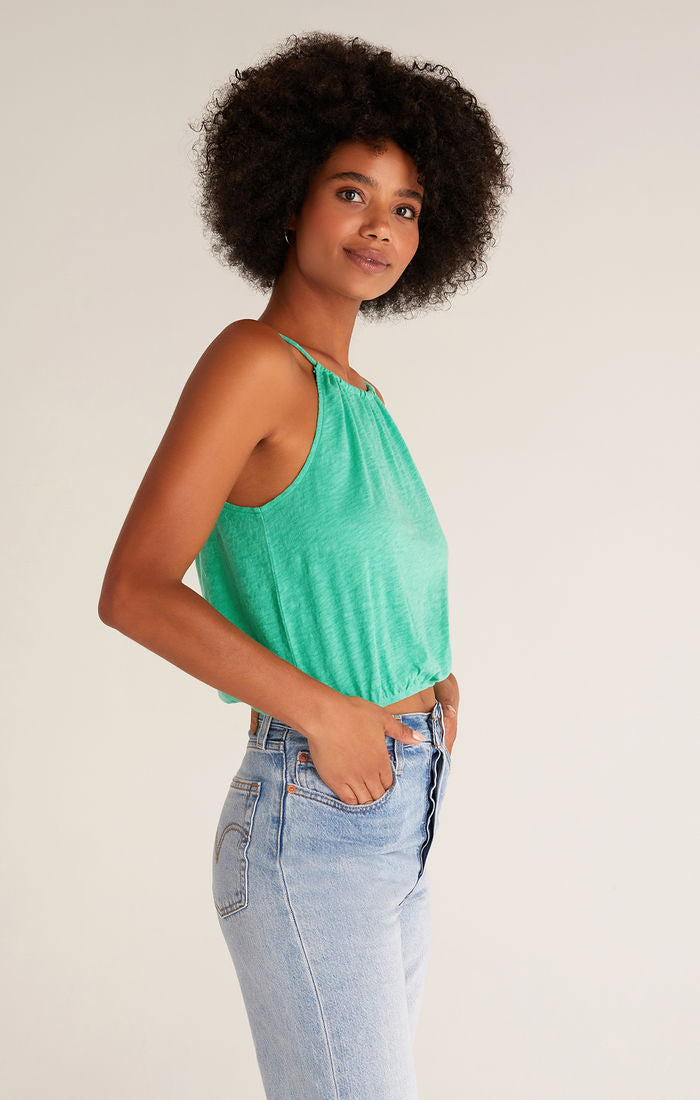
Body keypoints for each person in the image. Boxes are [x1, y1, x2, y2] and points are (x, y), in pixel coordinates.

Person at [98, 30, 511, 1100]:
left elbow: (347, 576)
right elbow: (134, 589)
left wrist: (430, 677)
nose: (380, 226)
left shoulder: (357, 397)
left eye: (406, 206)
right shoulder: (255, 364)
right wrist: (326, 712)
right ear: (288, 197)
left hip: (401, 811)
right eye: (351, 192)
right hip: (316, 816)